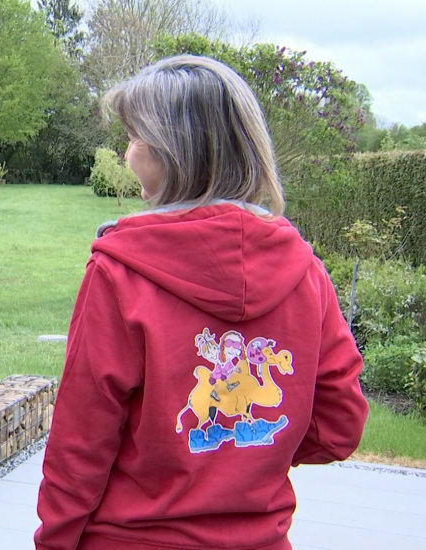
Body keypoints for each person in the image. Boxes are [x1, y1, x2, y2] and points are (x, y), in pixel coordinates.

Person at [34, 55, 368, 550]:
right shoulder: (306, 274)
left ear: (169, 152)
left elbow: (80, 442)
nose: (127, 156)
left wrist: (54, 543)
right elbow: (338, 425)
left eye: (133, 139)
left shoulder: (119, 272)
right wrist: (244, 453)